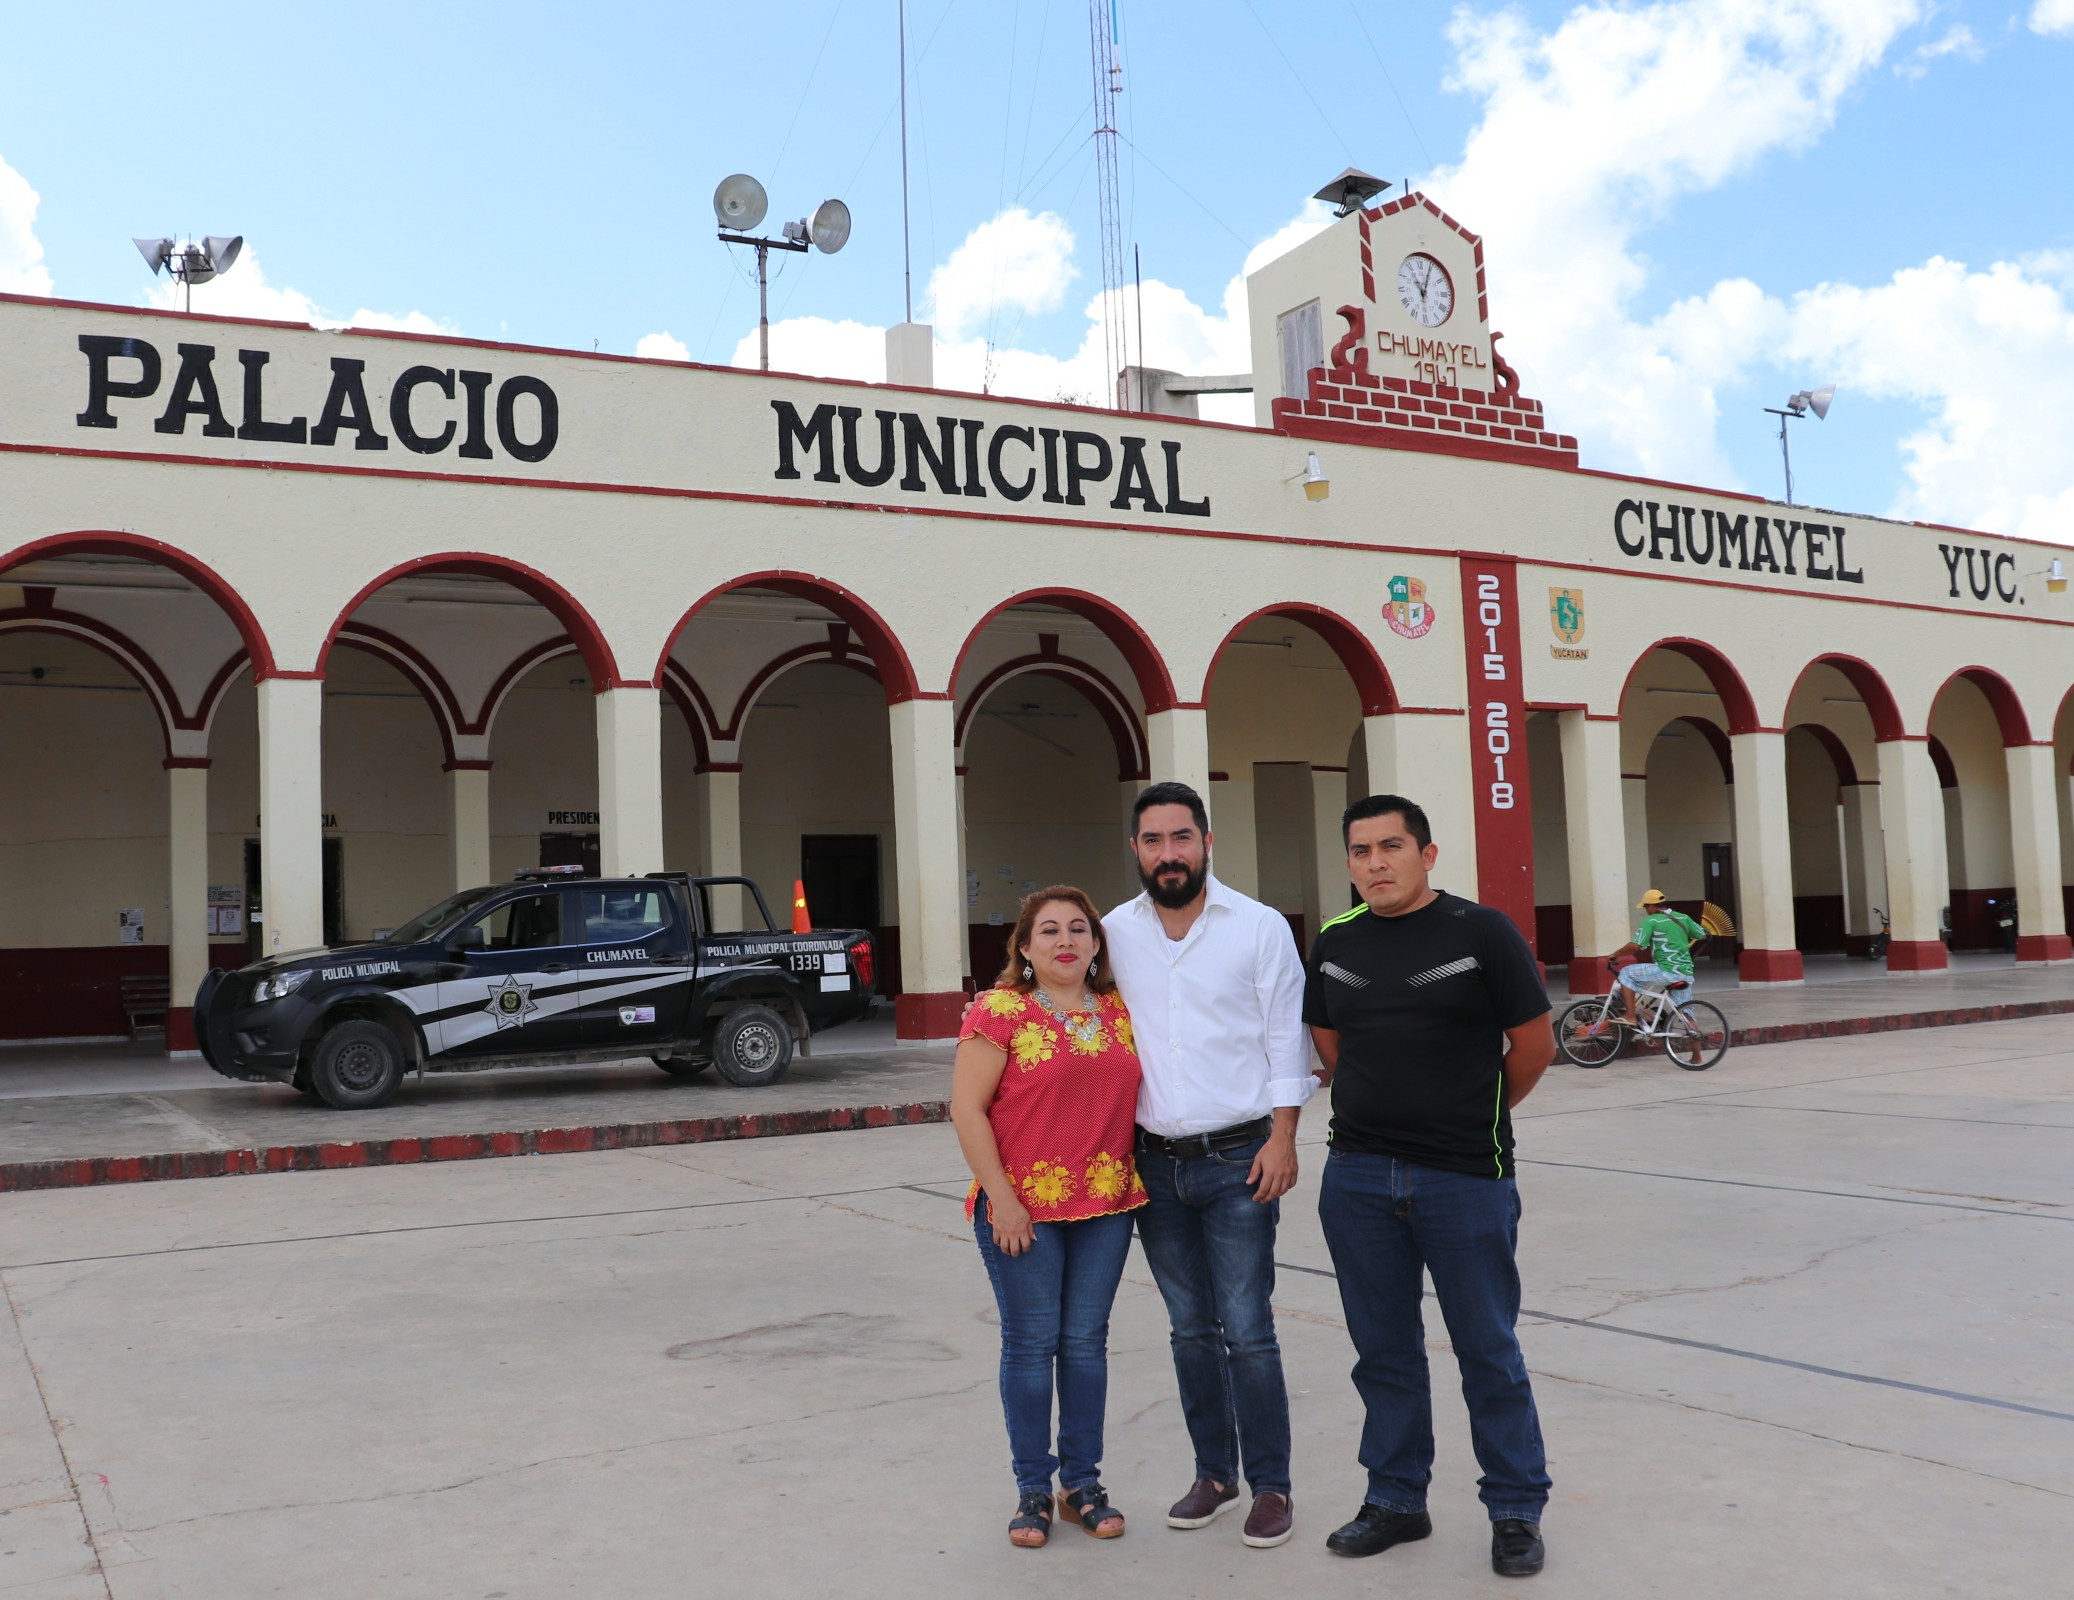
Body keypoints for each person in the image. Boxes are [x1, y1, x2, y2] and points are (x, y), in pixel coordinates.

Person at [1304, 794, 1557, 1579]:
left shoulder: (1480, 932)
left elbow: (1534, 1045)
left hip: (1464, 1177)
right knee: (1383, 1352)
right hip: (1356, 1177)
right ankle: (1395, 1499)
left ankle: (1515, 1509)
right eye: (1360, 851)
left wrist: (1467, 1109)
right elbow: (1331, 1042)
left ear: (1427, 853)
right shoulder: (1335, 942)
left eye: (1391, 847)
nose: (1375, 863)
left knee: (1487, 1349)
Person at [1103, 781, 1316, 1550]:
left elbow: (1285, 1039)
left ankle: (1272, 1485)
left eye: (1181, 838)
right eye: (1153, 840)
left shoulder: (1257, 928)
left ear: (1206, 842)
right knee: (1189, 1329)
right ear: (1136, 849)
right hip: (1152, 1168)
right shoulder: (1112, 933)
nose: (1168, 854)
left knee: (1248, 1329)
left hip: (1240, 1159)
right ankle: (1214, 1475)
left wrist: (1284, 1137)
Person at [950, 886, 1148, 1549]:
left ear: (1096, 945)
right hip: (1021, 1212)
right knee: (1032, 1346)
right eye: (1049, 931)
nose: (1066, 940)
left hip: (1107, 1204)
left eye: (1078, 930)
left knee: (1086, 1345)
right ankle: (1033, 1489)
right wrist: (1001, 1198)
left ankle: (1081, 1486)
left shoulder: (1123, 1011)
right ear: (1026, 948)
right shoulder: (999, 1011)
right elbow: (967, 1110)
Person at [1589, 888, 1706, 1033]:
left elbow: (1636, 945)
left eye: (1645, 907)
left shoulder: (1651, 920)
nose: (1645, 910)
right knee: (1686, 1013)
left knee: (1626, 973)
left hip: (1666, 970)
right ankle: (1697, 1055)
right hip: (1685, 972)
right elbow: (1701, 934)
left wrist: (1615, 954)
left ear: (1652, 906)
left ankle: (1630, 1016)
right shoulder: (1683, 917)